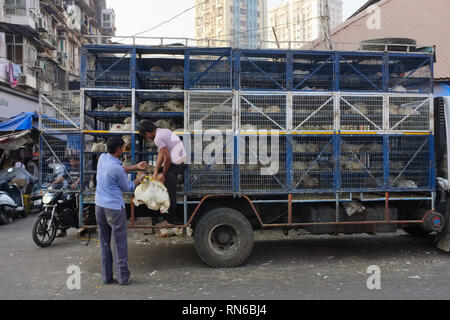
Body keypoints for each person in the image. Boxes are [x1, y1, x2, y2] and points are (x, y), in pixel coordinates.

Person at [95, 136, 147, 285]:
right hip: (114, 209)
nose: (124, 149)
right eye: (123, 147)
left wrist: (136, 166)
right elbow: (128, 187)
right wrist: (140, 179)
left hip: (99, 206)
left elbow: (119, 169)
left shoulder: (103, 158)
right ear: (118, 149)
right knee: (119, 244)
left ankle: (106, 277)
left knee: (104, 243)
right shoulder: (116, 168)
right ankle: (123, 278)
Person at [139, 120, 186, 228]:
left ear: (147, 133)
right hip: (179, 161)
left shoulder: (158, 138)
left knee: (169, 191)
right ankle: (170, 216)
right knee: (158, 176)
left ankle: (171, 220)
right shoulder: (163, 131)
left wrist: (164, 174)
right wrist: (156, 170)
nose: (147, 138)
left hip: (178, 163)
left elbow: (167, 158)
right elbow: (161, 153)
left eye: (145, 136)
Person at [51, 155, 81, 238]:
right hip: (68, 191)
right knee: (60, 206)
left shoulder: (80, 169)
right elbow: (62, 178)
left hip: (78, 192)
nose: (71, 163)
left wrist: (76, 183)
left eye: (73, 161)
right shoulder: (69, 170)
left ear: (78, 161)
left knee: (72, 206)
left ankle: (78, 224)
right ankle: (63, 230)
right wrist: (54, 183)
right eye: (71, 161)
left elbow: (81, 178)